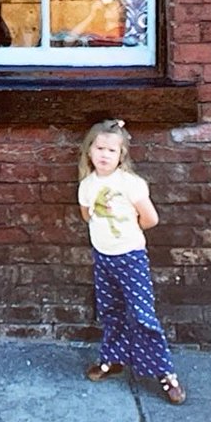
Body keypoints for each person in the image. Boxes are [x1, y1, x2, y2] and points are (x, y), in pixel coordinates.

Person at [77, 119, 186, 405]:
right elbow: (88, 216)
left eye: (111, 150)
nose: (104, 154)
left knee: (141, 314)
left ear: (121, 155)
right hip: (103, 258)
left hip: (131, 258)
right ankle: (113, 359)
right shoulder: (87, 185)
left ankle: (165, 373)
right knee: (111, 310)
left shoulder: (130, 184)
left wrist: (126, 234)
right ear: (89, 151)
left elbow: (150, 219)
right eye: (99, 148)